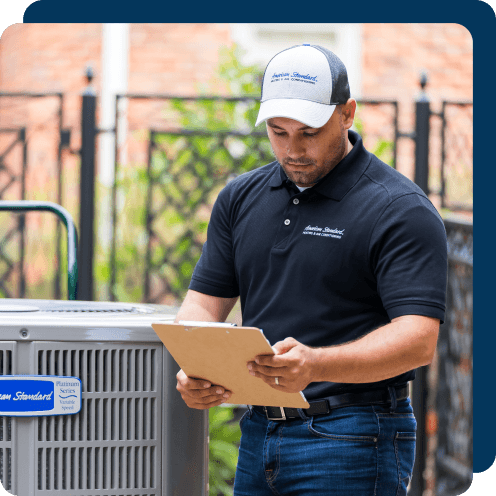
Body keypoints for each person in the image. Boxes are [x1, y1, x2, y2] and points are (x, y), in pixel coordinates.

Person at [175, 44, 447, 495]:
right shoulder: (240, 198)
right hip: (259, 431)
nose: (293, 149)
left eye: (309, 132)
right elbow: (202, 305)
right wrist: (197, 366)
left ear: (347, 114)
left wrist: (317, 363)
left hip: (354, 436)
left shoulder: (400, 209)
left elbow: (418, 340)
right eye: (278, 132)